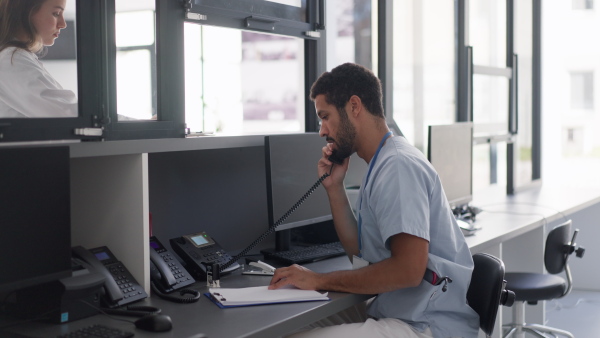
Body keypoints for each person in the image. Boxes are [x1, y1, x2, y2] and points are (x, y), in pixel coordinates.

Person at [269, 63, 479, 337]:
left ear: (354, 106)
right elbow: (360, 253)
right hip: (400, 309)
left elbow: (408, 270)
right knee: (286, 327)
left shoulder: (398, 166)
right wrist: (335, 188)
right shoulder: (382, 161)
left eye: (325, 116)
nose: (322, 130)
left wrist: (318, 279)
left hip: (426, 324)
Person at [0, 0, 77, 118]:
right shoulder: (12, 60)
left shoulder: (15, 57)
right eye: (56, 13)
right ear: (27, 13)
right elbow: (67, 115)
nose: (63, 24)